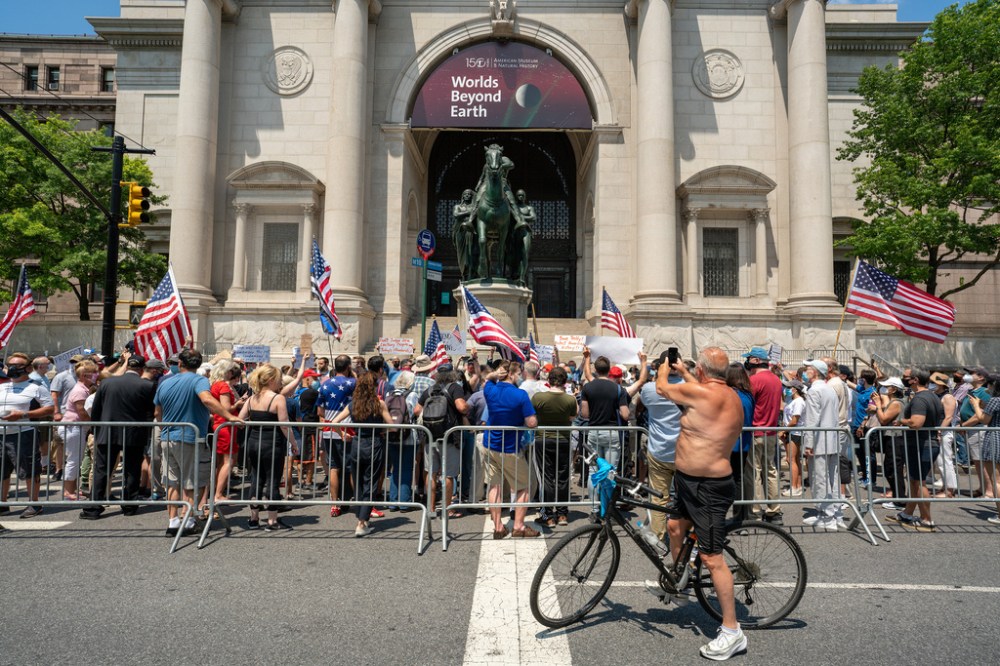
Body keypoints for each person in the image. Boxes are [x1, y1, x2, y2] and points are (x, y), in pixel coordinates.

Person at [655, 347, 747, 661]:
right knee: (674, 526)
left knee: (713, 559)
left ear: (704, 373)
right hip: (688, 481)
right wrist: (687, 371)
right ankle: (681, 575)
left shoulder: (704, 393)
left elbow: (661, 388)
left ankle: (732, 632)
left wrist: (664, 368)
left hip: (708, 487)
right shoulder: (728, 394)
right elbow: (705, 392)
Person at [154, 349, 241, 537]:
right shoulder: (199, 380)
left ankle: (173, 521)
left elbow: (157, 413)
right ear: (198, 364)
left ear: (180, 364)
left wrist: (164, 429)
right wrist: (229, 417)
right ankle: (189, 519)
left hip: (168, 437)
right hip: (190, 438)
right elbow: (207, 399)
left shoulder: (165, 383)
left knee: (172, 482)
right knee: (194, 480)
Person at [79, 355, 156, 520]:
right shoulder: (147, 385)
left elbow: (97, 410)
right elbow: (150, 413)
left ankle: (93, 507)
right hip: (134, 433)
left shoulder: (107, 383)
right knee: (132, 470)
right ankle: (129, 505)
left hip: (107, 432)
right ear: (142, 369)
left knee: (102, 469)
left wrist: (96, 430)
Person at [330, 372, 393, 537]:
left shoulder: (353, 404)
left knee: (358, 482)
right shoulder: (379, 404)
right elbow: (393, 426)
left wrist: (343, 435)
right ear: (373, 387)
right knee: (370, 482)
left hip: (357, 443)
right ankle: (361, 522)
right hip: (374, 443)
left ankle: (362, 518)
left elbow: (334, 422)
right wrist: (383, 430)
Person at [481, 361, 539, 539]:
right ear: (513, 374)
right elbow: (531, 423)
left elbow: (486, 379)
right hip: (509, 447)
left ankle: (498, 527)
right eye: (518, 373)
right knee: (525, 485)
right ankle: (519, 526)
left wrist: (494, 375)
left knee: (495, 485)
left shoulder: (490, 390)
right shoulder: (520, 395)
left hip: (489, 444)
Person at [237, 364, 294, 532]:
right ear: (271, 380)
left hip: (254, 442)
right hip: (272, 443)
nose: (280, 383)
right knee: (273, 480)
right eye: (278, 380)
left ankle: (254, 518)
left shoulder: (252, 398)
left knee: (256, 478)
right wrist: (294, 443)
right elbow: (284, 425)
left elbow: (240, 420)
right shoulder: (278, 398)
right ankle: (271, 520)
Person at [886, 368, 944, 532]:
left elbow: (917, 422)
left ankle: (927, 519)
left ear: (915, 380)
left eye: (906, 377)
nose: (904, 379)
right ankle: (907, 513)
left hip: (921, 444)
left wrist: (902, 421)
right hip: (924, 443)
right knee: (914, 480)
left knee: (919, 482)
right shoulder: (932, 396)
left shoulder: (920, 399)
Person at [0, 354, 55, 518]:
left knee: (29, 470)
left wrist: (24, 415)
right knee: (2, 471)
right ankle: (2, 503)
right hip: (1, 434)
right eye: (9, 364)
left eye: (17, 365)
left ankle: (34, 503)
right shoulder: (2, 386)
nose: (12, 368)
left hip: (23, 434)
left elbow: (49, 408)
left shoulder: (36, 386)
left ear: (28, 368)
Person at [636, 351, 683, 541]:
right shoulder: (689, 387)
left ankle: (658, 536)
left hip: (659, 450)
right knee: (685, 497)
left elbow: (642, 405)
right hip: (684, 451)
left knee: (658, 498)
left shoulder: (649, 389)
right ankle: (683, 535)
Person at [414, 365, 468, 517]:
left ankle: (431, 509)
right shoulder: (455, 388)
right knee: (449, 475)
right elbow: (461, 407)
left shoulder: (430, 389)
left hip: (430, 436)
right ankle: (447, 509)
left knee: (431, 473)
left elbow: (417, 411)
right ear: (452, 374)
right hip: (450, 437)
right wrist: (467, 407)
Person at [800, 359, 845, 531]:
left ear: (815, 372)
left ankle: (826, 515)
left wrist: (809, 443)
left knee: (820, 478)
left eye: (808, 368)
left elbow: (812, 419)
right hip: (832, 439)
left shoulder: (814, 390)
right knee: (832, 478)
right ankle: (835, 513)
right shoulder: (829, 389)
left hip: (820, 441)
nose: (806, 371)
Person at [742, 348, 783, 525]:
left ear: (757, 361)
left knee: (753, 473)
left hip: (755, 430)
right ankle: (774, 510)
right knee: (770, 470)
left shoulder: (754, 380)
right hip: (771, 431)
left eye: (749, 358)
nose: (747, 361)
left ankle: (755, 512)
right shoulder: (776, 379)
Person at [532, 366, 577, 527]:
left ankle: (548, 515)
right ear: (565, 382)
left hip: (543, 439)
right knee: (562, 477)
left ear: (549, 380)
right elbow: (573, 416)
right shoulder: (570, 399)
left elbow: (532, 415)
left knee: (546, 478)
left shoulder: (538, 397)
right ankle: (562, 514)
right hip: (563, 439)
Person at [317, 355, 357, 517]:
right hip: (348, 430)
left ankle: (334, 503)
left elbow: (320, 412)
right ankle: (357, 501)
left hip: (328, 429)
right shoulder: (353, 383)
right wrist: (353, 373)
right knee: (352, 467)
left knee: (334, 467)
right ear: (348, 366)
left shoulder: (324, 384)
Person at [58, 360, 98, 501]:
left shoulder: (84, 389)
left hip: (77, 428)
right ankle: (68, 491)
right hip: (73, 427)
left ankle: (72, 488)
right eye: (92, 373)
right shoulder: (80, 391)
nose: (95, 375)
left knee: (76, 459)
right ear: (83, 376)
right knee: (73, 460)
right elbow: (83, 414)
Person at [208, 360, 247, 504]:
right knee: (229, 461)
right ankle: (218, 494)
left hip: (221, 426)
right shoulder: (223, 386)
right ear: (227, 372)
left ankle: (216, 492)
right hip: (225, 426)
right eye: (231, 371)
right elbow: (226, 409)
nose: (233, 374)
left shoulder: (216, 385)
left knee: (222, 462)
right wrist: (238, 404)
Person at [868, 376, 908, 508]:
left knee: (894, 468)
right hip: (892, 437)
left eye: (887, 386)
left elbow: (884, 419)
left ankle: (900, 500)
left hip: (896, 438)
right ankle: (898, 496)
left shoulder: (896, 403)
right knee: (890, 468)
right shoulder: (893, 402)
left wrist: (878, 405)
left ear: (893, 389)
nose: (884, 388)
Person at [967, 375, 1000, 525]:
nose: (988, 389)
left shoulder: (995, 401)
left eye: (991, 386)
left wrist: (975, 405)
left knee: (997, 481)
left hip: (995, 439)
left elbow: (984, 419)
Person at [725, 363, 755, 524]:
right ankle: (740, 516)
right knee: (738, 479)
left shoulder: (734, 395)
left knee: (732, 480)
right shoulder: (748, 394)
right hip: (743, 442)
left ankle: (737, 517)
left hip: (732, 442)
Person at [958, 367, 994, 498]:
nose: (968, 375)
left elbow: (980, 414)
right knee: (977, 461)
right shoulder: (972, 390)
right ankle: (982, 487)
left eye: (972, 373)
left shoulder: (984, 393)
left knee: (982, 461)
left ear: (981, 378)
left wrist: (964, 426)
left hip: (978, 429)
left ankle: (989, 490)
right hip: (972, 430)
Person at [929, 371, 958, 498]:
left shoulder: (948, 398)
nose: (931, 385)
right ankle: (944, 487)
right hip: (938, 432)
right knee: (939, 461)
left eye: (933, 383)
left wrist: (939, 431)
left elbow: (948, 417)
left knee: (945, 461)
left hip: (944, 432)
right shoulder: (936, 395)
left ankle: (950, 490)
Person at [779, 380, 806, 497]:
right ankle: (798, 485)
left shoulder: (799, 402)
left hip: (795, 432)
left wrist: (783, 430)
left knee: (791, 460)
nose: (786, 389)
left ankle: (794, 487)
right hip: (790, 431)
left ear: (795, 389)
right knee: (794, 459)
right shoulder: (792, 400)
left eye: (789, 387)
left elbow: (795, 420)